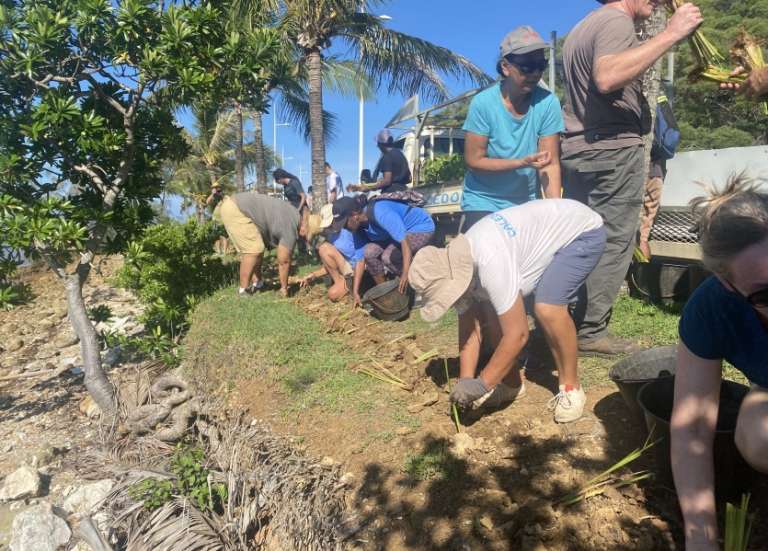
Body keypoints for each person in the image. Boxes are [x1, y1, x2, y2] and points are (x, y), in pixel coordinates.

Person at [561, 0, 703, 356]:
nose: (656, 1)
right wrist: (671, 33)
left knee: (581, 240)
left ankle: (567, 320)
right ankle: (590, 332)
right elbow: (607, 76)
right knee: (614, 241)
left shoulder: (583, 27)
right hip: (610, 149)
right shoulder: (616, 21)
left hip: (579, 149)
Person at [408, 199, 606, 423]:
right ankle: (512, 385)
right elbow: (469, 332)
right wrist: (465, 381)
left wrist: (483, 384)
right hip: (543, 236)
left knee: (547, 307)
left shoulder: (489, 260)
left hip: (581, 232)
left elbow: (519, 334)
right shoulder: (458, 265)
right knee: (494, 316)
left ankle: (571, 387)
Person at [671, 177, 768, 551]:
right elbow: (692, 429)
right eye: (765, 293)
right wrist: (701, 539)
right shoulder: (711, 310)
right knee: (759, 438)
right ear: (727, 285)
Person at [460, 26, 564, 231]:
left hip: (524, 202)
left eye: (540, 65)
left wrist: (556, 212)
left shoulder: (548, 103)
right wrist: (520, 162)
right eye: (527, 66)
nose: (535, 73)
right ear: (506, 67)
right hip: (483, 200)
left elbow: (550, 164)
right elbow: (474, 161)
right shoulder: (483, 104)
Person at [329, 195, 434, 305]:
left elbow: (405, 242)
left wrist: (405, 273)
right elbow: (360, 261)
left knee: (388, 257)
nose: (345, 229)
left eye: (345, 224)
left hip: (419, 227)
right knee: (369, 252)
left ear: (354, 215)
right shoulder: (358, 229)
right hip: (396, 236)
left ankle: (420, 289)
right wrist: (355, 292)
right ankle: (386, 293)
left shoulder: (380, 211)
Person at [217, 192, 317, 297]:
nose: (305, 239)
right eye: (307, 236)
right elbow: (284, 261)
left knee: (258, 247)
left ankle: (258, 284)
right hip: (235, 210)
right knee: (253, 249)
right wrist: (284, 288)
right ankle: (243, 290)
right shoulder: (290, 228)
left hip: (233, 205)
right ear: (304, 228)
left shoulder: (294, 214)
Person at [298, 204, 368, 301]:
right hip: (348, 269)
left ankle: (356, 286)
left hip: (360, 268)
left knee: (332, 294)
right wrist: (314, 275)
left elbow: (362, 258)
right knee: (323, 248)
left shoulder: (350, 229)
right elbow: (332, 265)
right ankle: (341, 282)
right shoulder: (332, 236)